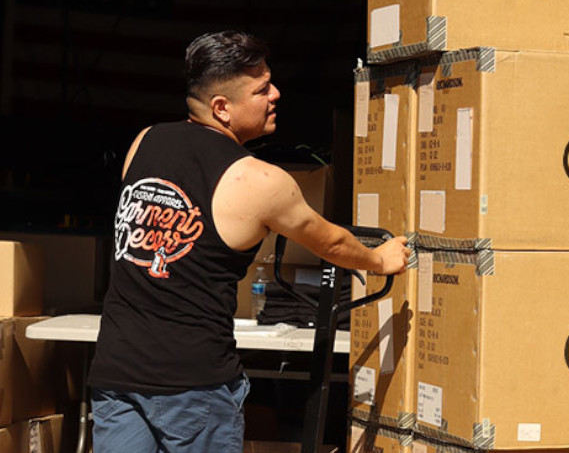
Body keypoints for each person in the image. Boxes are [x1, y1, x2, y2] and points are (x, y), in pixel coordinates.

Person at [87, 30, 410, 453]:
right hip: (193, 386)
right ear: (221, 108)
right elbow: (329, 242)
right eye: (261, 89)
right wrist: (379, 260)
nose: (276, 94)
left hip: (116, 373)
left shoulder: (144, 142)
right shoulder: (260, 181)